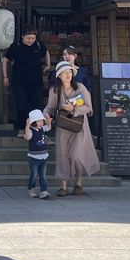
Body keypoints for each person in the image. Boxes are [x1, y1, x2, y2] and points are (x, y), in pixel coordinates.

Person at [44, 63, 98, 196]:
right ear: (59, 76)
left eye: (69, 71)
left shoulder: (80, 87)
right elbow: (50, 107)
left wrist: (74, 109)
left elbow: (89, 107)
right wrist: (45, 115)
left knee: (77, 155)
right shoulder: (54, 90)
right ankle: (64, 186)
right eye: (64, 72)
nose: (68, 74)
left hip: (79, 126)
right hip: (63, 126)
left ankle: (79, 182)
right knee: (63, 155)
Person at [4, 27, 50, 138]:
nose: (31, 40)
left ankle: (39, 129)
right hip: (19, 81)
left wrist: (48, 65)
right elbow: (6, 60)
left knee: (38, 105)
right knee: (21, 106)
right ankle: (21, 128)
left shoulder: (38, 45)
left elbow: (46, 52)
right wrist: (5, 76)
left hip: (36, 82)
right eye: (28, 38)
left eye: (33, 38)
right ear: (23, 36)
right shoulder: (16, 47)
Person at [25, 109, 52, 199]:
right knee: (34, 174)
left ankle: (43, 191)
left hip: (44, 156)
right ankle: (31, 188)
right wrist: (27, 126)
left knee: (43, 175)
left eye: (42, 120)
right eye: (39, 121)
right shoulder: (31, 131)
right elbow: (28, 137)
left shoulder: (42, 129)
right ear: (33, 122)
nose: (41, 122)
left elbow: (48, 127)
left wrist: (48, 121)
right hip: (33, 157)